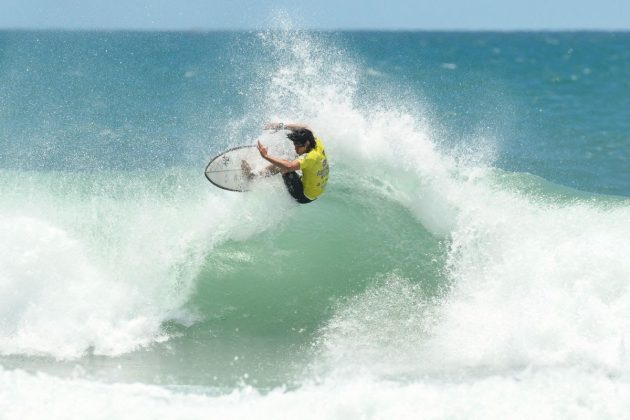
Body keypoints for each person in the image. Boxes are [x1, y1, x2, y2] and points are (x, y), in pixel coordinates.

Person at [243, 122, 329, 204]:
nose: (295, 148)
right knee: (292, 157)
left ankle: (252, 177)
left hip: (304, 196)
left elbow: (288, 167)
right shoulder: (316, 142)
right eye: (294, 144)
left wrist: (266, 156)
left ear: (306, 143)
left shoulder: (310, 157)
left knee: (283, 165)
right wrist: (280, 126)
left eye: (298, 146)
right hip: (317, 190)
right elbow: (305, 128)